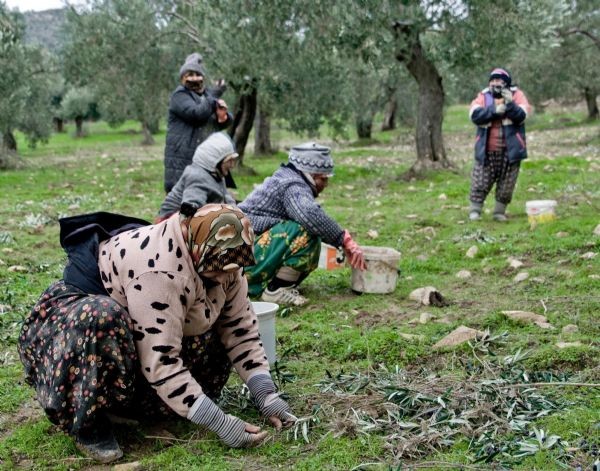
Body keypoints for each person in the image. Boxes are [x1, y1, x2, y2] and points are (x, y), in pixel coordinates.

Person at [18, 205, 295, 464]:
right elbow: (161, 359)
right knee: (102, 318)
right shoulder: (160, 272)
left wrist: (265, 395)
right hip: (80, 329)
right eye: (217, 271)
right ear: (197, 252)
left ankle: (142, 407)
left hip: (145, 329)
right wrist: (219, 422)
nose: (225, 278)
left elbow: (240, 329)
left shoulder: (226, 261)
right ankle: (89, 422)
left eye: (232, 271)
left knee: (209, 321)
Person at [239, 142, 366, 307]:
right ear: (310, 174)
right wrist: (344, 239)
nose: (325, 185)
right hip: (242, 261)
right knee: (304, 233)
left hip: (243, 257)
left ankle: (276, 285)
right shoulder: (292, 185)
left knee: (307, 231)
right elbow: (309, 215)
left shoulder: (287, 177)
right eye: (323, 179)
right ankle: (275, 290)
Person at [164, 52, 233, 193]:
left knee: (207, 200)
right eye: (190, 75)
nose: (194, 78)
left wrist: (223, 117)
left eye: (197, 74)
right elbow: (197, 115)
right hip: (183, 158)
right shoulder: (180, 96)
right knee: (182, 201)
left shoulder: (207, 95)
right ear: (183, 78)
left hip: (206, 157)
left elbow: (214, 121)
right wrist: (214, 94)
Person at [468, 68, 531, 221]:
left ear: (506, 82)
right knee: (480, 180)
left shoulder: (517, 95)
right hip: (487, 149)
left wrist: (510, 104)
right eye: (493, 80)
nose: (495, 83)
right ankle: (475, 211)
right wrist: (494, 110)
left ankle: (498, 212)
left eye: (499, 80)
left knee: (507, 182)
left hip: (511, 150)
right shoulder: (483, 96)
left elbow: (522, 116)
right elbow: (474, 115)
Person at [157, 132, 238, 223]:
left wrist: (236, 212)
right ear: (215, 160)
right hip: (170, 221)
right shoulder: (198, 177)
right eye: (229, 161)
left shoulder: (217, 174)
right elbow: (190, 211)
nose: (232, 165)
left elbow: (226, 196)